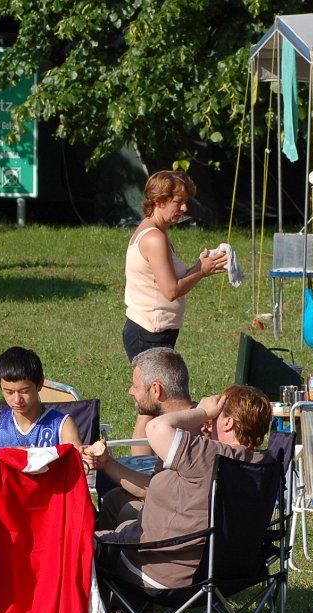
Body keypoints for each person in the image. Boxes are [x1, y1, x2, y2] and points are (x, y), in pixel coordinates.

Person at [95, 385, 272, 590]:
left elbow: (155, 428)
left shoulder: (206, 454)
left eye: (216, 415)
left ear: (228, 423)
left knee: (75, 547)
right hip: (223, 572)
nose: (209, 420)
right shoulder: (263, 463)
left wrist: (201, 412)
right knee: (123, 518)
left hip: (159, 570)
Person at [123, 170, 227, 449]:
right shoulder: (154, 238)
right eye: (179, 202)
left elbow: (168, 280)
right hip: (149, 332)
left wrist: (196, 267)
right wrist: (201, 271)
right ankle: (145, 465)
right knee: (155, 405)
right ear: (159, 200)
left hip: (151, 330)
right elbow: (170, 290)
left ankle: (144, 464)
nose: (184, 208)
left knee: (152, 405)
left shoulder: (154, 231)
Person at [86, 347, 196, 532]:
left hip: (181, 525)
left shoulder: (187, 436)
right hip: (169, 502)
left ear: (156, 390)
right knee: (114, 499)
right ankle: (105, 556)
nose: (130, 391)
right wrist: (107, 464)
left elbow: (159, 494)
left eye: (136, 386)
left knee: (128, 515)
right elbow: (155, 487)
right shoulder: (191, 419)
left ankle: (114, 553)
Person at [0, 346, 82, 450]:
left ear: (40, 384)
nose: (17, 400)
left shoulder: (63, 426)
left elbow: (78, 465)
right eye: (9, 392)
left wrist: (102, 462)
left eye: (25, 391)